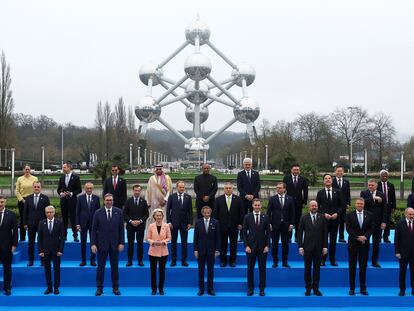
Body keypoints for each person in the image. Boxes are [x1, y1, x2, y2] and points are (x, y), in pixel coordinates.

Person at [91, 193, 125, 296]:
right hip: (101, 245)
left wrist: (121, 243)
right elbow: (93, 230)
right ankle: (99, 288)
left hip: (115, 245)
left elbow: (121, 229)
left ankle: (115, 287)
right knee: (100, 267)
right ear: (104, 201)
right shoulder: (98, 213)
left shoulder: (118, 212)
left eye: (111, 200)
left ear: (113, 201)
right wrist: (93, 244)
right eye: (107, 200)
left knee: (115, 267)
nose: (109, 202)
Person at [297, 200, 327, 296]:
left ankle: (316, 288)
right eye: (312, 206)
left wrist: (325, 246)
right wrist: (300, 247)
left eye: (316, 206)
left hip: (319, 248)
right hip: (307, 248)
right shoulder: (304, 217)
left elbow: (325, 233)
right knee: (307, 268)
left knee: (317, 269)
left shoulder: (322, 217)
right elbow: (299, 233)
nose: (314, 207)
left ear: (317, 207)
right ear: (309, 207)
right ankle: (308, 288)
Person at [346, 198, 374, 296]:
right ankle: (352, 288)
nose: (359, 205)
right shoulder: (349, 215)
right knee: (352, 267)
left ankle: (363, 288)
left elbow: (371, 228)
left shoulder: (369, 215)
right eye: (358, 203)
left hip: (364, 244)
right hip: (353, 244)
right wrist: (358, 237)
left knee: (363, 267)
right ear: (355, 204)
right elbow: (348, 229)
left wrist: (365, 237)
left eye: (361, 204)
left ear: (364, 204)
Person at [243, 199, 271, 296]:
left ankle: (262, 289)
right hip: (250, 248)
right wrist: (246, 245)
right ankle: (250, 289)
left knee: (262, 269)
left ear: (261, 206)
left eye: (259, 205)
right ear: (252, 206)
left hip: (263, 248)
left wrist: (267, 245)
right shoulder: (247, 217)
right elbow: (244, 233)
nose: (257, 207)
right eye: (255, 205)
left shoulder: (266, 217)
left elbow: (268, 233)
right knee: (250, 269)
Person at [316, 174, 344, 266]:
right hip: (324, 221)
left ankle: (332, 259)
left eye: (329, 178)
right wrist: (324, 214)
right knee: (323, 240)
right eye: (325, 178)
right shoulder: (320, 193)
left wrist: (337, 214)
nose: (327, 180)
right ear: (323, 181)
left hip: (335, 220)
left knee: (333, 241)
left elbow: (342, 206)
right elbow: (317, 207)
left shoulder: (338, 192)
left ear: (332, 181)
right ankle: (322, 259)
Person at [213, 182, 244, 267]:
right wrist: (216, 225)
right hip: (222, 227)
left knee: (233, 245)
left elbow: (241, 213)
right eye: (226, 188)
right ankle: (223, 260)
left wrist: (241, 224)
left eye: (230, 188)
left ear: (232, 189)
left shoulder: (238, 199)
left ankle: (232, 261)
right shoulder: (218, 199)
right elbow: (215, 214)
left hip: (234, 226)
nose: (228, 189)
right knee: (223, 245)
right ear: (224, 189)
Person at [38, 206, 65, 295]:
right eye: (47, 212)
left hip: (56, 251)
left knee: (57, 270)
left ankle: (56, 288)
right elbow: (39, 238)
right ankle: (49, 287)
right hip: (45, 252)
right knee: (47, 270)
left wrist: (61, 250)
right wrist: (40, 251)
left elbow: (62, 238)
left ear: (54, 213)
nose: (49, 214)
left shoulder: (59, 223)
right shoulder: (41, 223)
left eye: (50, 212)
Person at [194, 206, 220, 296]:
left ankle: (210, 289)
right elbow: (195, 238)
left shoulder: (215, 222)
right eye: (205, 213)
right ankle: (201, 289)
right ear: (202, 213)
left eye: (208, 213)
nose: (206, 214)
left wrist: (217, 250)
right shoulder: (198, 222)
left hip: (211, 251)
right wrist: (195, 250)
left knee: (210, 270)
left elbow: (218, 238)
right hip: (201, 251)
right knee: (201, 270)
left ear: (210, 213)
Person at [267, 182, 295, 268]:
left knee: (285, 244)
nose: (278, 189)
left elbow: (292, 213)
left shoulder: (290, 199)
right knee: (274, 244)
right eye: (277, 187)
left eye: (280, 187)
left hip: (286, 225)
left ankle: (285, 261)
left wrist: (292, 224)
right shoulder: (272, 199)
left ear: (284, 189)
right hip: (275, 225)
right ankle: (275, 261)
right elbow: (268, 212)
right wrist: (269, 223)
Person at [360, 179, 387, 267]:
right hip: (366, 223)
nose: (370, 186)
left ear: (376, 186)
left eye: (372, 185)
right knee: (365, 243)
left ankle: (374, 261)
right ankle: (364, 261)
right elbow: (362, 203)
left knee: (376, 243)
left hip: (378, 223)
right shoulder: (364, 193)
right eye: (369, 185)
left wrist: (383, 222)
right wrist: (373, 198)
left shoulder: (382, 195)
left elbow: (384, 210)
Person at [23, 181, 50, 266]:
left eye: (38, 187)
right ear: (33, 187)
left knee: (42, 243)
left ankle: (43, 260)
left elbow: (48, 212)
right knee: (31, 243)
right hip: (31, 224)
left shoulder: (45, 198)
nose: (37, 188)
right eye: (35, 187)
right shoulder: (28, 198)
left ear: (40, 188)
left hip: (42, 224)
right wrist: (25, 223)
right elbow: (25, 212)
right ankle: (31, 260)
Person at [167, 181, 193, 267]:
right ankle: (173, 260)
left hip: (184, 224)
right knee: (173, 242)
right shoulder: (171, 197)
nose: (182, 189)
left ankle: (183, 260)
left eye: (183, 187)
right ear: (177, 187)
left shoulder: (188, 197)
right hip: (173, 224)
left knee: (184, 243)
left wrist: (190, 222)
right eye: (180, 187)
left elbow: (190, 211)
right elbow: (168, 211)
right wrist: (169, 222)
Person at [146, 209, 171, 295]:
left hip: (163, 251)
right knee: (153, 271)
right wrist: (153, 242)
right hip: (153, 251)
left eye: (160, 215)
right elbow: (148, 238)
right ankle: (153, 289)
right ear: (154, 217)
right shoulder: (151, 226)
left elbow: (169, 237)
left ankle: (161, 289)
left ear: (162, 216)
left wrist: (164, 242)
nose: (159, 217)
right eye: (157, 215)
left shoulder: (166, 226)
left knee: (162, 271)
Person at [123, 184, 149, 267]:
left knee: (140, 244)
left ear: (140, 191)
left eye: (138, 190)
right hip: (130, 226)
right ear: (133, 191)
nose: (137, 192)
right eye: (135, 190)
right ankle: (129, 261)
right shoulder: (128, 201)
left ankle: (140, 260)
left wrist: (140, 221)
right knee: (130, 244)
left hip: (140, 226)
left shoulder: (144, 202)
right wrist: (130, 221)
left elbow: (146, 214)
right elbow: (124, 213)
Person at [76, 182, 100, 266]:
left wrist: (98, 224)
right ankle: (83, 260)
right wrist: (77, 224)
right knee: (83, 243)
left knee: (94, 242)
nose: (89, 190)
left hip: (93, 224)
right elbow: (77, 212)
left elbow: (98, 212)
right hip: (83, 224)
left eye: (90, 188)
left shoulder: (96, 198)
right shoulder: (80, 198)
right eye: (87, 188)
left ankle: (93, 260)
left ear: (92, 189)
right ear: (85, 188)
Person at [283, 164, 308, 242]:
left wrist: (304, 201)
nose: (296, 171)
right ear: (291, 170)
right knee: (288, 220)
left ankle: (297, 236)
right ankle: (289, 236)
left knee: (298, 220)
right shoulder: (286, 178)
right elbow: (283, 190)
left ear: (299, 170)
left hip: (299, 203)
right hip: (288, 203)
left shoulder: (303, 179)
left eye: (297, 170)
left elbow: (305, 191)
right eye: (294, 169)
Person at [57, 161, 82, 241]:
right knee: (64, 219)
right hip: (64, 201)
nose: (63, 169)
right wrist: (61, 193)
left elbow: (79, 190)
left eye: (64, 167)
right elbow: (58, 189)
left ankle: (75, 235)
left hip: (72, 202)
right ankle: (64, 236)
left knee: (73, 219)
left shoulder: (76, 177)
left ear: (69, 167)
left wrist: (71, 193)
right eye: (63, 167)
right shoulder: (61, 178)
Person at [0, 196, 18, 296]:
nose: (0, 204)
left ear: (5, 203)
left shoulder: (11, 214)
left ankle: (7, 287)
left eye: (2, 202)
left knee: (7, 268)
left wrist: (14, 244)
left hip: (6, 247)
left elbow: (15, 231)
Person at [146, 164, 173, 229]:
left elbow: (169, 190)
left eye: (160, 169)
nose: (158, 171)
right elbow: (148, 190)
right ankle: (152, 235)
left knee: (164, 218)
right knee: (153, 218)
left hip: (164, 203)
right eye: (157, 169)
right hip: (154, 202)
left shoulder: (167, 178)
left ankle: (164, 236)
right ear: (155, 170)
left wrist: (165, 200)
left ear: (162, 169)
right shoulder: (152, 178)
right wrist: (148, 202)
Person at [394, 207, 414, 296]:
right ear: (406, 214)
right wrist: (397, 252)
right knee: (402, 272)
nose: (412, 216)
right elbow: (396, 239)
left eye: (413, 214)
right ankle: (402, 289)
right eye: (410, 214)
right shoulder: (399, 224)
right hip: (403, 253)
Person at [15, 164, 38, 241]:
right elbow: (17, 191)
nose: (27, 171)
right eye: (26, 169)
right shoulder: (19, 179)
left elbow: (36, 189)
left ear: (30, 170)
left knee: (32, 218)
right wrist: (22, 200)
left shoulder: (35, 178)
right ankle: (22, 237)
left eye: (28, 169)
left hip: (32, 200)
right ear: (23, 170)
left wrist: (31, 200)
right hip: (22, 201)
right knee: (23, 219)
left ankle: (34, 237)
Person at [332, 165, 351, 243]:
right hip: (334, 205)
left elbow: (348, 193)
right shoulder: (332, 181)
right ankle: (332, 236)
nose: (339, 172)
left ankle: (341, 237)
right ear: (335, 172)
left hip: (343, 205)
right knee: (334, 222)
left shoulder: (346, 181)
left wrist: (348, 203)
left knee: (342, 221)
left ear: (343, 172)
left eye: (341, 171)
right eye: (338, 171)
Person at [377, 170, 396, 243]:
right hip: (379, 207)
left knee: (387, 222)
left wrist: (393, 207)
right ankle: (378, 237)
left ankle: (386, 237)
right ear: (380, 176)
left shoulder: (391, 185)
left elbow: (393, 197)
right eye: (383, 176)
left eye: (386, 176)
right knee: (379, 222)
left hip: (388, 207)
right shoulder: (377, 185)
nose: (384, 177)